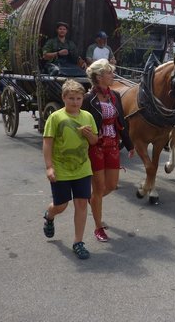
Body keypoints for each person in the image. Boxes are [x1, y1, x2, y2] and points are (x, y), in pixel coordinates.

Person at [42, 79, 98, 260]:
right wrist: (49, 167)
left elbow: (94, 141)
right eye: (71, 98)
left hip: (82, 168)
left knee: (81, 203)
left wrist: (90, 135)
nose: (75, 102)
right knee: (61, 205)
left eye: (79, 98)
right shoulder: (56, 117)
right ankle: (49, 215)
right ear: (64, 98)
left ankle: (78, 242)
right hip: (61, 169)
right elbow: (47, 142)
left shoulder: (87, 117)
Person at [82, 59, 134, 242]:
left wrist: (129, 144)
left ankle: (93, 200)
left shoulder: (115, 96)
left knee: (111, 186)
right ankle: (98, 227)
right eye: (109, 73)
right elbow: (80, 123)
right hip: (95, 147)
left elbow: (122, 122)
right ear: (98, 77)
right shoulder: (88, 99)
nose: (113, 76)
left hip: (113, 145)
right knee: (98, 187)